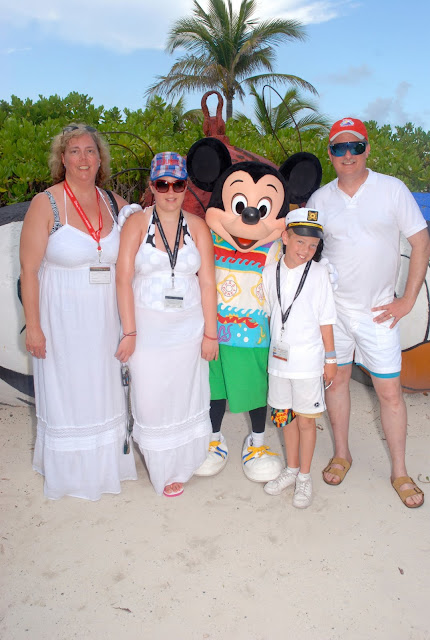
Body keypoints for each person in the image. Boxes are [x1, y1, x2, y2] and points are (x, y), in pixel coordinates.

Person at [306, 117, 430, 508]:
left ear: (367, 149)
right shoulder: (319, 199)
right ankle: (342, 453)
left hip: (379, 313)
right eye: (339, 148)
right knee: (336, 383)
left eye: (355, 146)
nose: (348, 155)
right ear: (330, 153)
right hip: (334, 313)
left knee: (390, 393)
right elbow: (303, 250)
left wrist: (407, 300)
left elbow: (421, 241)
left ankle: (400, 471)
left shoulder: (392, 189)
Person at [19, 123, 137, 500]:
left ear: (100, 158)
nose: (83, 158)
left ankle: (106, 467)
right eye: (74, 151)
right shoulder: (46, 203)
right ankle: (70, 474)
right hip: (62, 320)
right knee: (67, 392)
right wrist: (33, 327)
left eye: (90, 150)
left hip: (106, 319)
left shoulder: (115, 203)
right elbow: (28, 271)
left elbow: (142, 251)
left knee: (104, 390)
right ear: (62, 159)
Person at [115, 152, 218, 497]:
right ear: (152, 186)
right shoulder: (137, 224)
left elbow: (208, 283)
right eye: (163, 184)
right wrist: (129, 331)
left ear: (186, 186)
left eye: (178, 184)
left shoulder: (198, 226)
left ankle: (183, 463)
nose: (171, 191)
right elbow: (123, 279)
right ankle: (161, 466)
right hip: (148, 329)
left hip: (189, 328)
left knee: (186, 395)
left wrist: (211, 333)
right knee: (151, 397)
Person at [262, 208, 337, 508]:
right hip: (279, 363)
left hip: (307, 364)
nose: (305, 250)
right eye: (300, 242)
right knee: (284, 419)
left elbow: (326, 319)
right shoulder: (270, 271)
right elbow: (271, 310)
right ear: (285, 237)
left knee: (306, 422)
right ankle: (291, 469)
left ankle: (304, 476)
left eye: (313, 245)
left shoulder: (319, 274)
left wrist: (330, 359)